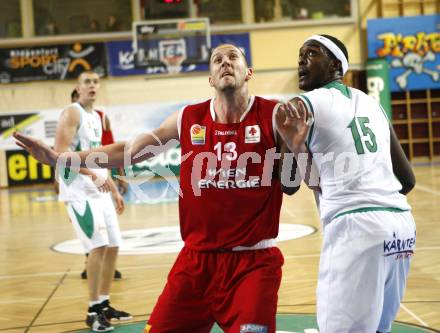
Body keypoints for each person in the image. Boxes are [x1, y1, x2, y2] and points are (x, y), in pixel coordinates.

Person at [14, 44, 300, 333]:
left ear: (248, 72)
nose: (225, 62)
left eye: (233, 58)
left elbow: (291, 185)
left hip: (252, 264)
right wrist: (63, 158)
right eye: (217, 60)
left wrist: (294, 145)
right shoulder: (187, 118)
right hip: (196, 264)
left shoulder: (274, 115)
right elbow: (129, 151)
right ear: (210, 79)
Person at [275, 34, 416, 333]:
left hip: (356, 228)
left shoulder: (303, 104)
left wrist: (291, 145)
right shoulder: (373, 104)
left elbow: (287, 184)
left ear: (336, 64)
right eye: (300, 55)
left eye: (311, 54)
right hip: (401, 228)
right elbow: (408, 179)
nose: (301, 60)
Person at [52, 71, 132, 332]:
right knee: (97, 247)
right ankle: (92, 310)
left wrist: (114, 189)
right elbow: (61, 153)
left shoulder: (98, 117)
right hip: (78, 192)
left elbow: (102, 157)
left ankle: (105, 303)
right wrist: (91, 176)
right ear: (78, 87)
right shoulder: (72, 112)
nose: (92, 86)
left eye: (96, 82)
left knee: (113, 246)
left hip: (100, 190)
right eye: (87, 82)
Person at [69, 89, 127, 281]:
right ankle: (90, 263)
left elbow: (110, 150)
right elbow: (62, 156)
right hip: (77, 184)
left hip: (100, 177)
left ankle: (107, 270)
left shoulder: (100, 118)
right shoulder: (71, 118)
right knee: (91, 229)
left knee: (108, 232)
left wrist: (119, 176)